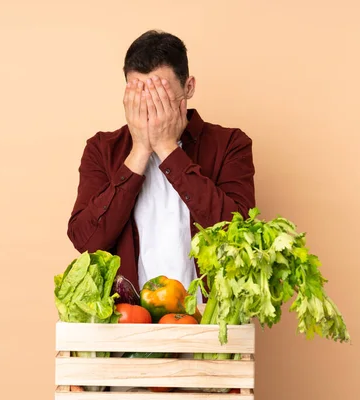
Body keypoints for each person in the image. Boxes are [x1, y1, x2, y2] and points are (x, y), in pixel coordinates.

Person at [67, 30, 256, 293]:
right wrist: (140, 150)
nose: (152, 107)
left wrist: (167, 148)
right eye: (142, 96)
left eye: (161, 96)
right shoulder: (101, 149)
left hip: (210, 320)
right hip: (129, 320)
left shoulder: (230, 144)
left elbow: (239, 233)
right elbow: (86, 239)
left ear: (188, 88)